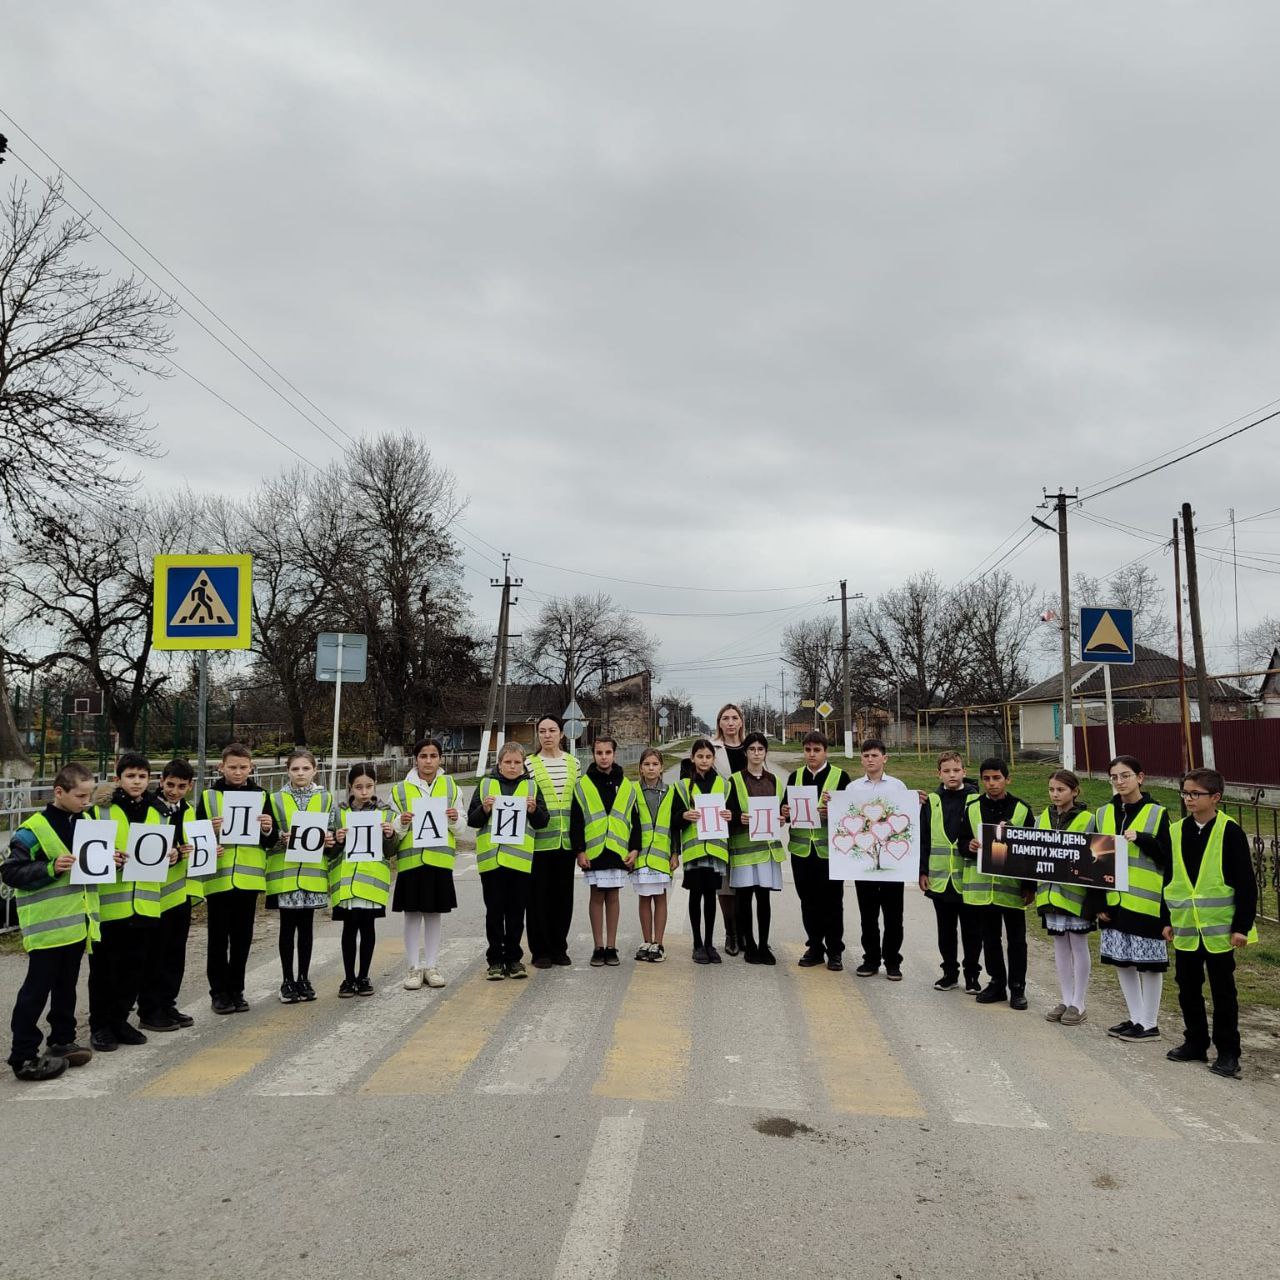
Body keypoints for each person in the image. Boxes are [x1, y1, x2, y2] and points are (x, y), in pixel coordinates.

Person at [3, 763, 98, 1081]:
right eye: (81, 796)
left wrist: (111, 858)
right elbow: (11, 872)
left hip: (75, 923)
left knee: (66, 987)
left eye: (90, 795)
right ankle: (24, 1056)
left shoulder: (86, 822)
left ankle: (61, 1040)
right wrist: (50, 868)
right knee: (36, 991)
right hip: (45, 927)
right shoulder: (32, 830)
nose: (87, 802)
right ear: (60, 792)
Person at [1164, 768, 1259, 1079]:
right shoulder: (1176, 831)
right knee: (1187, 988)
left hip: (1220, 930)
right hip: (1186, 928)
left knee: (1223, 992)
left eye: (1195, 794)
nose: (1189, 799)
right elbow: (1169, 878)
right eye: (1185, 793)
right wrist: (1165, 920)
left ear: (1215, 798)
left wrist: (1241, 927)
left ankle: (1228, 1052)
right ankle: (1195, 1042)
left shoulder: (1229, 832)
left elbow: (1246, 884)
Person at [87, 752, 171, 1052]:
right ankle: (100, 1026)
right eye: (131, 776)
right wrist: (108, 857)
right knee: (104, 970)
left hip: (145, 905)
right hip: (111, 906)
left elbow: (163, 851)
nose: (137, 782)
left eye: (142, 776)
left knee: (134, 968)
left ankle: (121, 1020)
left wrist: (173, 855)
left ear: (149, 780)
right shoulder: (101, 810)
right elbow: (87, 851)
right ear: (118, 778)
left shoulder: (159, 811)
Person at [1094, 755, 1170, 1043]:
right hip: (1114, 901)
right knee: (1122, 960)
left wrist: (1143, 839)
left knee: (1149, 964)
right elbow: (1096, 862)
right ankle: (1136, 1017)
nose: (1119, 782)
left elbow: (1167, 858)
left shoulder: (1157, 813)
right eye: (1114, 777)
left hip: (1145, 903)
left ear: (1140, 777)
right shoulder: (1103, 814)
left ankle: (1150, 1022)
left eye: (1125, 775)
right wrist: (1099, 903)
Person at [197, 743, 276, 1014]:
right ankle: (218, 992)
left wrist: (268, 828)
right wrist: (210, 829)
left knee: (242, 938)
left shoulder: (262, 795)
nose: (238, 772)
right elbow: (193, 834)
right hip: (218, 878)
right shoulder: (209, 796)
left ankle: (237, 990)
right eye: (232, 767)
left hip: (248, 879)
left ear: (251, 767)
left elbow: (272, 839)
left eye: (243, 767)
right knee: (218, 938)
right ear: (221, 767)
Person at [468, 742, 549, 979]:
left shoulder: (531, 787)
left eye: (517, 762)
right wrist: (484, 809)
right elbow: (472, 821)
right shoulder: (485, 785)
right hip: (492, 862)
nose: (512, 767)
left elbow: (543, 822)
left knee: (515, 914)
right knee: (494, 913)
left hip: (520, 863)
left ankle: (514, 959)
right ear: (499, 763)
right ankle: (495, 960)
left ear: (523, 764)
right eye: (508, 762)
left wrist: (534, 811)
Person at [958, 758, 1033, 1009]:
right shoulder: (972, 807)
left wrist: (1029, 886)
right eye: (987, 779)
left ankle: (1018, 988)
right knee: (989, 938)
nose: (992, 783)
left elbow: (1033, 851)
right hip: (983, 891)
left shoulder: (1021, 809)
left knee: (1017, 941)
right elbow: (962, 841)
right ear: (981, 780)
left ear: (1007, 779)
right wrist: (969, 846)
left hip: (1011, 888)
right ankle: (997, 983)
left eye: (997, 778)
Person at [390, 738, 461, 990]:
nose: (428, 761)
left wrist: (454, 819)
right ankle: (413, 968)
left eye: (433, 756)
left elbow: (462, 828)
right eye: (423, 756)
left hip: (439, 861)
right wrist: (402, 821)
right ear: (415, 759)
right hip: (411, 862)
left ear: (440, 758)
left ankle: (431, 966)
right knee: (412, 914)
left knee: (433, 914)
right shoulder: (399, 790)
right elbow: (392, 830)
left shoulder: (451, 786)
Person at [137, 758, 201, 1032]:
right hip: (154, 895)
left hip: (179, 893)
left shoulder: (188, 810)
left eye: (181, 786)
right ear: (161, 781)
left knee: (175, 954)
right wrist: (172, 854)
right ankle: (150, 1009)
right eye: (170, 784)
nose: (174, 791)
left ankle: (167, 1003)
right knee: (155, 956)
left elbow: (193, 843)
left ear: (189, 786)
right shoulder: (149, 809)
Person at [267, 748, 335, 1005]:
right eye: (295, 769)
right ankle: (287, 980)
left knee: (306, 928)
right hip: (285, 874)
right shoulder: (275, 799)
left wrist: (330, 838)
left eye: (306, 768)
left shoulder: (326, 798)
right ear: (288, 771)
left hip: (312, 875)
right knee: (287, 928)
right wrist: (278, 838)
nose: (300, 773)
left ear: (315, 770)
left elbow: (333, 831)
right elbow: (266, 836)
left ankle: (304, 978)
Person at [1034, 769, 1097, 1027]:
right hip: (1050, 893)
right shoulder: (1041, 818)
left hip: (1076, 896)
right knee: (1060, 945)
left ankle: (1079, 1002)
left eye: (1061, 789)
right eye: (1052, 789)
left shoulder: (1088, 819)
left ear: (1074, 791)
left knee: (1079, 945)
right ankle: (1065, 997)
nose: (1055, 794)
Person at [331, 762, 399, 997]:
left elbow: (391, 851)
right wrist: (337, 839)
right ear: (350, 787)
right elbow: (330, 850)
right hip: (347, 881)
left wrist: (390, 835)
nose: (363, 791)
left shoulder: (386, 813)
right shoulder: (339, 813)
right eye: (358, 787)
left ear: (375, 786)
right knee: (349, 929)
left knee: (368, 928)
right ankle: (349, 978)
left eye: (368, 786)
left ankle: (364, 976)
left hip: (371, 881)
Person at [572, 736, 641, 967]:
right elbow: (577, 821)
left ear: (615, 754)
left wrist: (634, 848)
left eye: (607, 753)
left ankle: (612, 947)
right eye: (599, 752)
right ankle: (598, 946)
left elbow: (634, 820)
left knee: (613, 897)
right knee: (596, 896)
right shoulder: (583, 784)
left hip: (617, 850)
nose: (603, 757)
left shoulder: (627, 785)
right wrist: (579, 851)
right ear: (593, 754)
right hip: (594, 851)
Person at [918, 751, 982, 994]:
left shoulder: (976, 799)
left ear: (964, 772)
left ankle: (972, 975)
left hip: (969, 879)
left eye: (956, 770)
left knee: (972, 931)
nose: (952, 775)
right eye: (946, 771)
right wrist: (922, 870)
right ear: (939, 774)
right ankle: (949, 973)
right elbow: (924, 839)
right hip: (940, 878)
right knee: (945, 930)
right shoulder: (932, 801)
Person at [787, 731, 848, 971]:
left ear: (826, 752)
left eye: (817, 750)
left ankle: (835, 950)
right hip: (802, 851)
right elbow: (787, 809)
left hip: (830, 852)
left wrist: (832, 812)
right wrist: (784, 812)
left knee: (832, 902)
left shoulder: (840, 777)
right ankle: (814, 947)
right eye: (808, 750)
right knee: (808, 901)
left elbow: (851, 814)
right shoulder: (795, 777)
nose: (812, 755)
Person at [726, 731, 786, 964]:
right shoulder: (735, 781)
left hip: (767, 850)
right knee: (744, 898)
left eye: (760, 749)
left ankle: (764, 944)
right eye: (752, 749)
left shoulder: (775, 781)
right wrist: (739, 817)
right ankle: (749, 944)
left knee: (763, 898)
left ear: (765, 752)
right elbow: (728, 813)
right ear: (745, 752)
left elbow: (783, 809)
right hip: (743, 849)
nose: (756, 753)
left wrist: (783, 818)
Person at [851, 739, 910, 981]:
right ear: (861, 759)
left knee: (894, 916)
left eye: (875, 755)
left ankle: (893, 962)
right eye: (866, 755)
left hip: (892, 863)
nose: (870, 759)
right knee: (868, 915)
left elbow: (907, 818)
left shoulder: (898, 787)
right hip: (864, 862)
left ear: (884, 758)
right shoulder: (853, 788)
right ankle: (871, 959)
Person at [526, 714, 581, 969]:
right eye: (542, 731)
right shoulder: (529, 764)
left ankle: (560, 947)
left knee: (562, 898)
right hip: (538, 843)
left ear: (562, 733)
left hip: (565, 843)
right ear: (537, 735)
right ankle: (540, 951)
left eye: (552, 730)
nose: (547, 735)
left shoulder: (573, 764)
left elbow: (579, 805)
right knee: (537, 899)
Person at [676, 738, 732, 964]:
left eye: (708, 756)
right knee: (695, 894)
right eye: (700, 756)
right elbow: (673, 816)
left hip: (715, 851)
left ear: (713, 758)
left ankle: (710, 943)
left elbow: (733, 814)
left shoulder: (725, 785)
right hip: (694, 851)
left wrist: (731, 816)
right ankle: (697, 943)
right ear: (693, 758)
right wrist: (683, 815)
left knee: (711, 897)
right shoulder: (682, 786)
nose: (704, 760)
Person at [632, 747, 677, 962]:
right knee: (644, 898)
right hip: (641, 856)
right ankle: (647, 940)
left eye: (655, 764)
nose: (651, 768)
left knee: (660, 898)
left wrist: (675, 853)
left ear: (661, 768)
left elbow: (675, 826)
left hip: (662, 855)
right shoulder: (633, 791)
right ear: (640, 768)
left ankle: (658, 943)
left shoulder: (670, 792)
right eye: (647, 764)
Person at [710, 703, 748, 955]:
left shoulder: (752, 748)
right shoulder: (712, 750)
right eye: (726, 718)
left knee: (746, 881)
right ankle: (730, 933)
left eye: (735, 718)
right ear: (719, 723)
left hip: (746, 822)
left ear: (741, 722)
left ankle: (746, 933)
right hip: (721, 820)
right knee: (724, 884)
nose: (731, 722)